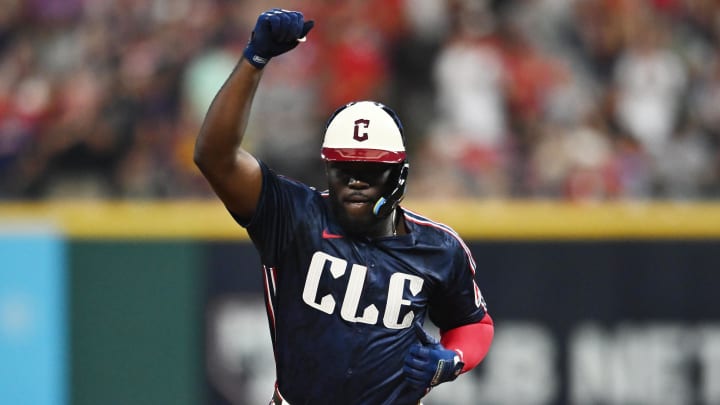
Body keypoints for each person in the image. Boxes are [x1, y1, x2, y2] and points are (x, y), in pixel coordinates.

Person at [194, 8, 494, 405]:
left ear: (399, 176)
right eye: (344, 168)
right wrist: (255, 60)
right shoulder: (294, 216)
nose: (356, 180)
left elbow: (474, 323)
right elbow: (215, 157)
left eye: (370, 170)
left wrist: (452, 358)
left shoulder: (438, 248)